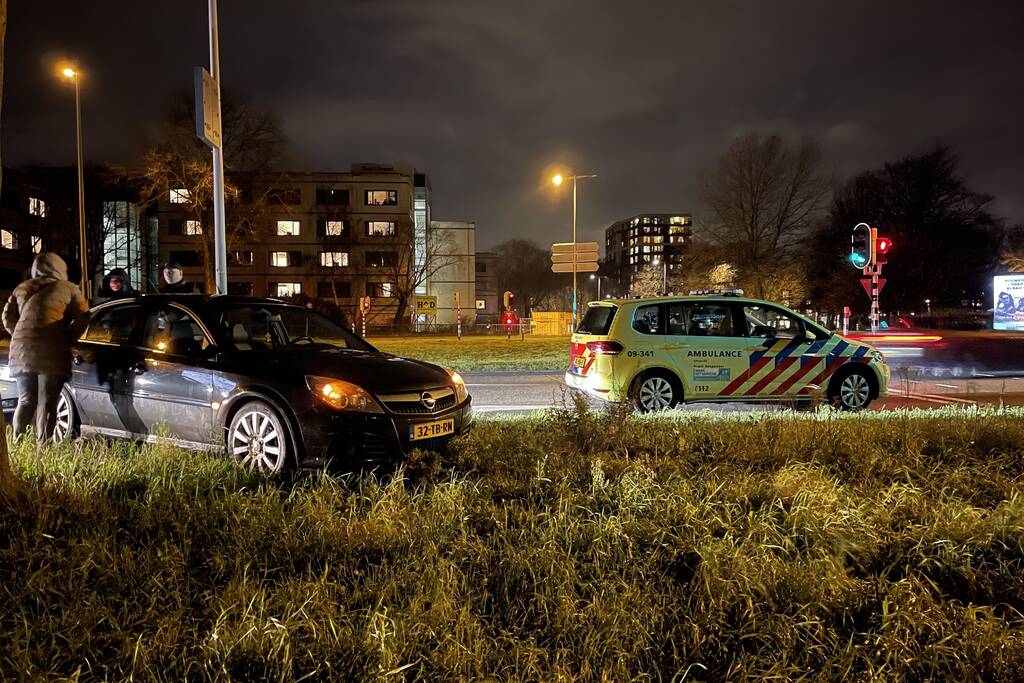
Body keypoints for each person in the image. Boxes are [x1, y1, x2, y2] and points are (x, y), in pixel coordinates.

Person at [2, 252, 88, 441]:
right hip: (53, 351)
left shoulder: (21, 289)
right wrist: (69, 337)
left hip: (22, 352)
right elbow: (83, 317)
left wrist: (22, 336)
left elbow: (7, 318)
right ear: (60, 269)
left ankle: (18, 441)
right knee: (47, 402)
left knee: (25, 400)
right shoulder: (70, 288)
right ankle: (43, 446)